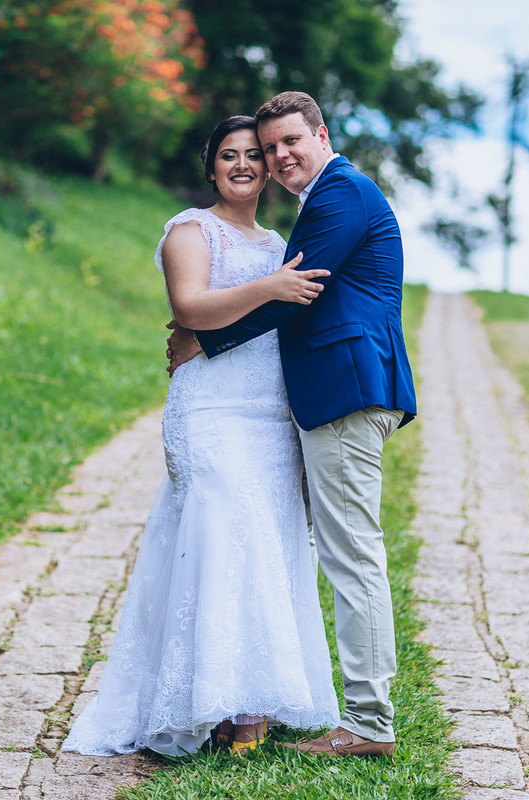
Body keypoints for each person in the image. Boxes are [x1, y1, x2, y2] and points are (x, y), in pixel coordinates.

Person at [63, 115, 340, 758]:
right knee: (217, 540)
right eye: (229, 156)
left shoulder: (278, 239)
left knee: (263, 547)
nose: (243, 165)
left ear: (270, 168)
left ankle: (249, 708)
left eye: (254, 155)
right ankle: (202, 701)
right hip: (211, 412)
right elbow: (189, 307)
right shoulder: (190, 230)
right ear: (210, 167)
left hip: (270, 413)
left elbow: (286, 319)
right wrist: (269, 288)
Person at [167, 91, 417, 758]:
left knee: (351, 556)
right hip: (334, 394)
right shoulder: (327, 197)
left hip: (345, 392)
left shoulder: (340, 196)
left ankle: (367, 725)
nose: (279, 157)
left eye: (289, 143)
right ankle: (360, 718)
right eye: (270, 147)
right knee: (343, 553)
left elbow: (293, 289)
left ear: (322, 135)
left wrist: (202, 338)